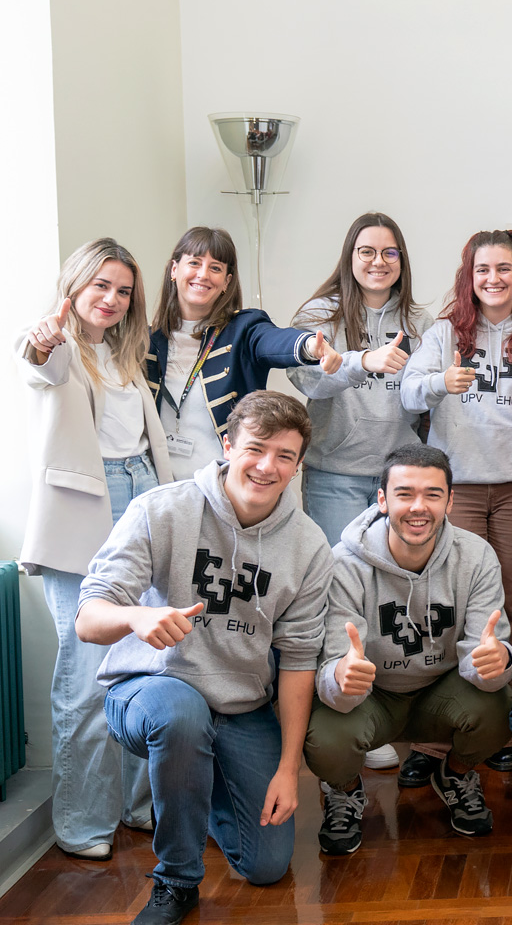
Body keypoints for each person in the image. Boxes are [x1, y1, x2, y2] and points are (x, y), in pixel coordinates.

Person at [74, 392, 331, 925]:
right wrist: (135, 618)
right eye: (256, 448)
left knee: (266, 866)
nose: (267, 466)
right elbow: (88, 618)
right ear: (228, 444)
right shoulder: (161, 509)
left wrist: (289, 769)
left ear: (299, 464)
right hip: (151, 690)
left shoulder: (309, 546)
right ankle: (176, 880)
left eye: (285, 455)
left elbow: (300, 660)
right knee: (181, 715)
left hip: (241, 705)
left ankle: (196, 782)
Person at [18, 239, 172, 860]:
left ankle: (139, 807)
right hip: (85, 514)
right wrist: (45, 340)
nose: (111, 299)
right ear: (75, 287)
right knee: (84, 678)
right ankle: (83, 820)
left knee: (144, 666)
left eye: (124, 290)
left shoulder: (126, 356)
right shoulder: (60, 350)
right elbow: (38, 362)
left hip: (142, 496)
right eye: (100, 286)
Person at [399, 229, 512, 781]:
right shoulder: (445, 334)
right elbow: (406, 392)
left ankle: (500, 727)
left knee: (511, 607)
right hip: (458, 489)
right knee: (448, 606)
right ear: (470, 276)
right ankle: (431, 742)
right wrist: (440, 384)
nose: (493, 279)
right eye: (482, 270)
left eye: (504, 269)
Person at [304, 444, 512, 855]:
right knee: (325, 738)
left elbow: (485, 655)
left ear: (450, 501)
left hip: (443, 690)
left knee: (498, 706)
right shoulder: (344, 564)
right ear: (382, 499)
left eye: (433, 495)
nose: (418, 507)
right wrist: (339, 678)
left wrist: (498, 662)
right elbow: (333, 669)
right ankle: (346, 791)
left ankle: (453, 775)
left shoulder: (475, 557)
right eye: (404, 494)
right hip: (374, 694)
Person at [148, 227, 343, 482]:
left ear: (227, 281)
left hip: (221, 485)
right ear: (174, 270)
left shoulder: (244, 329)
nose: (203, 274)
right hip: (157, 485)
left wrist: (309, 346)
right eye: (194, 263)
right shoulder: (148, 339)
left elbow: (273, 341)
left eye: (216, 268)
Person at [290, 212, 429, 546]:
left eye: (389, 253)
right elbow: (306, 380)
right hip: (334, 475)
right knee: (339, 578)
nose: (378, 261)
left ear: (401, 260)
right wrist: (362, 362)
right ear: (350, 257)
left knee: (393, 579)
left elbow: (428, 402)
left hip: (401, 477)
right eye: (366, 251)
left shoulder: (419, 322)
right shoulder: (319, 314)